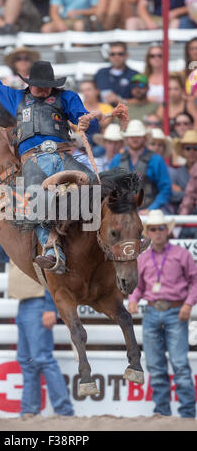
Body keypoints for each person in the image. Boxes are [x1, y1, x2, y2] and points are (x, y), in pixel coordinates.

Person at [0, 37, 102, 274]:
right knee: (33, 195)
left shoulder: (67, 98)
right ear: (29, 83)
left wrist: (87, 121)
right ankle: (50, 248)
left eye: (45, 84)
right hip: (32, 160)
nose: (41, 88)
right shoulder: (17, 98)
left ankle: (104, 238)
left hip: (62, 155)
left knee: (92, 183)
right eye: (37, 84)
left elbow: (87, 122)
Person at [128, 210, 197, 418]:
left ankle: (187, 414)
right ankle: (162, 413)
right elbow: (139, 286)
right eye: (153, 229)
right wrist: (132, 299)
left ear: (166, 231)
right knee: (155, 367)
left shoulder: (181, 255)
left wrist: (188, 304)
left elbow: (194, 282)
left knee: (180, 365)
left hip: (176, 312)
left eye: (160, 229)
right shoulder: (143, 258)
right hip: (151, 312)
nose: (157, 233)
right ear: (147, 232)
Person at [0, 242, 74, 417]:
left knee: (40, 358)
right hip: (26, 303)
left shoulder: (37, 241)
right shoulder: (18, 240)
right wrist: (0, 234)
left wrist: (49, 306)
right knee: (28, 359)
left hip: (37, 303)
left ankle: (62, 411)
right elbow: (0, 255)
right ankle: (31, 410)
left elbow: (50, 274)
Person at [109, 119, 172, 214]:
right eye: (132, 136)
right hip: (122, 213)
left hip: (150, 213)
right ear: (126, 139)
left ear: (145, 138)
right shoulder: (116, 159)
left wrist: (151, 209)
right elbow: (109, 187)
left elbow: (165, 189)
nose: (135, 139)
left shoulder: (156, 160)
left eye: (138, 136)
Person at [126, 0, 191, 30]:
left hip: (174, 19)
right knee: (131, 22)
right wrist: (148, 21)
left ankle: (171, 47)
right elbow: (141, 6)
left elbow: (191, 6)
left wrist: (176, 12)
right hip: (157, 18)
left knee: (175, 23)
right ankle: (133, 46)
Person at [93, 42, 138, 106]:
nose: (116, 57)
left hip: (125, 113)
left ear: (126, 55)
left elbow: (141, 101)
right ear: (109, 56)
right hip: (102, 113)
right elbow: (92, 95)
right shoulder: (101, 73)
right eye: (112, 54)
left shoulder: (134, 75)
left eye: (120, 54)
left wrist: (120, 100)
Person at [170, 130, 197, 215]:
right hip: (182, 217)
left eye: (196, 148)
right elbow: (172, 196)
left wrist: (182, 192)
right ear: (182, 151)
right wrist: (191, 195)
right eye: (188, 148)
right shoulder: (177, 172)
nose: (192, 151)